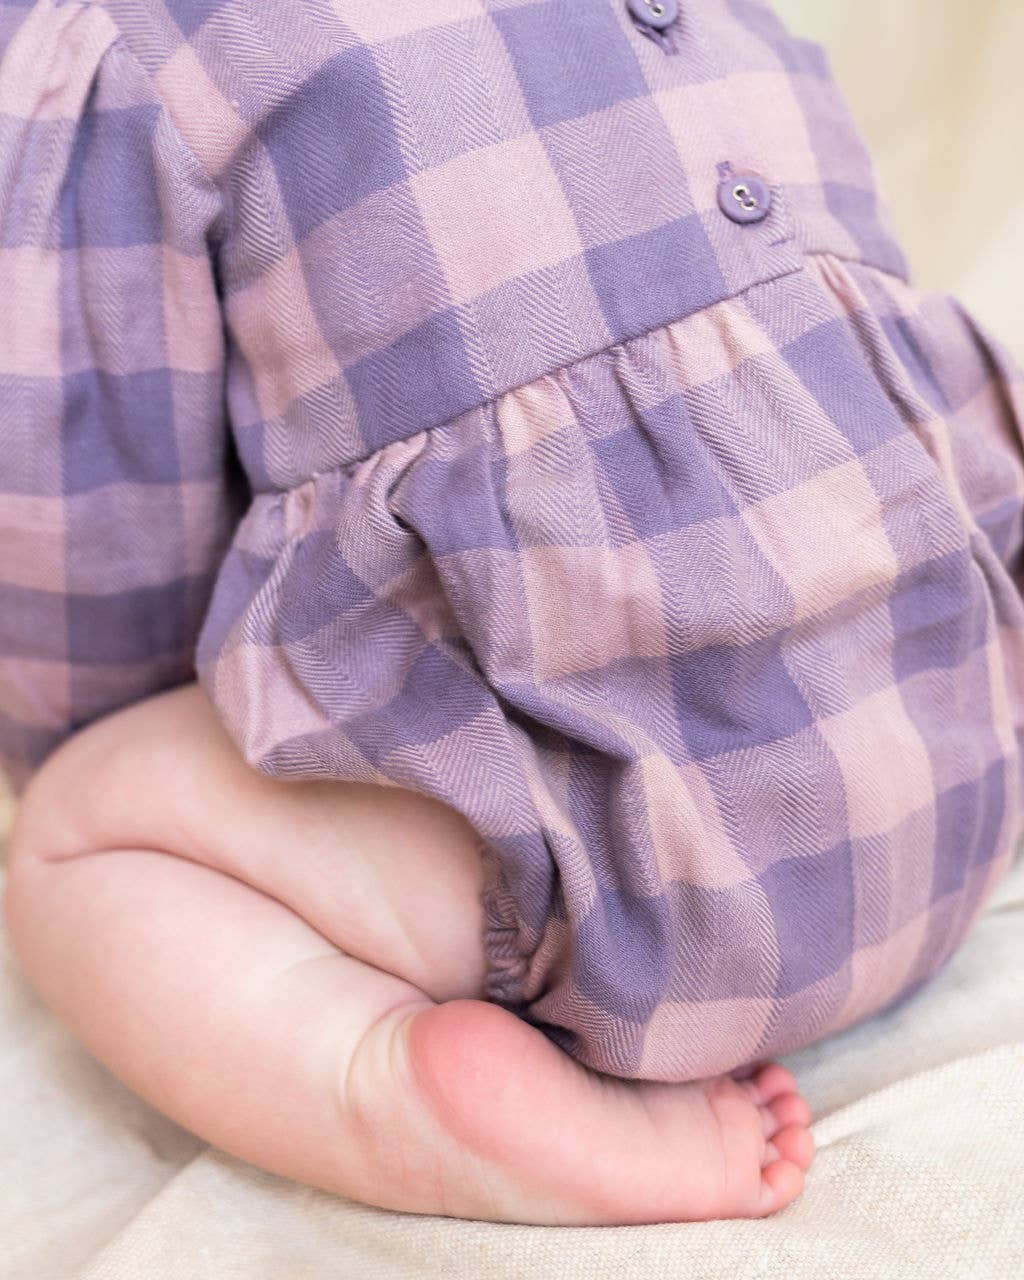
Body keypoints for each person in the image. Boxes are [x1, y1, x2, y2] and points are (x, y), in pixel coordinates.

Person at [2, 0, 1022, 1226]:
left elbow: (82, 529)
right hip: (956, 749)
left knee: (78, 827)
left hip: (590, 884)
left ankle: (373, 1077)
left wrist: (121, 744)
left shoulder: (125, 41)